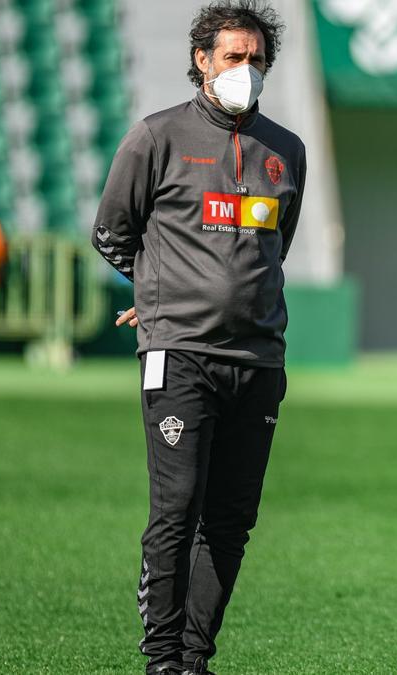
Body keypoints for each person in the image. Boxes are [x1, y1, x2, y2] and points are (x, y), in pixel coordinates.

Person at [91, 3, 305, 673]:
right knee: (176, 509)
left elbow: (274, 249)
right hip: (179, 356)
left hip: (260, 360)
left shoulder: (286, 151)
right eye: (232, 57)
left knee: (231, 520)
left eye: (255, 59)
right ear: (203, 61)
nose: (245, 69)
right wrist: (158, 292)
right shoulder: (154, 138)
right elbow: (112, 232)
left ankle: (192, 657)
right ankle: (160, 658)